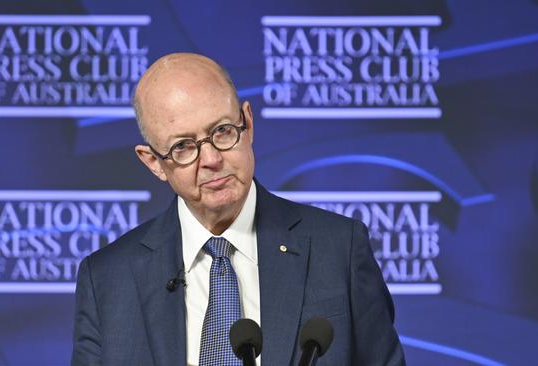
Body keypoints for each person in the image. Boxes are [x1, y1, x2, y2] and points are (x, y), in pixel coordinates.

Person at [72, 53, 405, 366]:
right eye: (183, 147)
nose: (213, 160)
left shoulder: (339, 249)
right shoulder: (107, 281)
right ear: (154, 163)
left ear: (248, 122)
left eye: (222, 131)